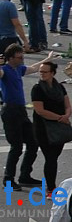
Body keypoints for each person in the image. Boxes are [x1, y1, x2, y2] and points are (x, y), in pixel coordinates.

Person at [0, 44, 50, 191]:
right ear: (10, 58)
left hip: (21, 111)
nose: (22, 60)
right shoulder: (5, 70)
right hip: (10, 111)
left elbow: (33, 68)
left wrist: (47, 59)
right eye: (19, 57)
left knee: (33, 142)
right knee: (16, 146)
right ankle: (8, 179)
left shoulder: (18, 69)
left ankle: (25, 175)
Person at [32, 60, 72, 194]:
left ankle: (51, 186)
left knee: (54, 155)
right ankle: (51, 188)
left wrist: (66, 115)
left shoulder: (59, 87)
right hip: (43, 128)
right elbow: (40, 110)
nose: (42, 74)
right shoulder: (37, 88)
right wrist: (60, 118)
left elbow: (67, 104)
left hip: (59, 127)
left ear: (52, 73)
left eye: (45, 72)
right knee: (50, 157)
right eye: (40, 71)